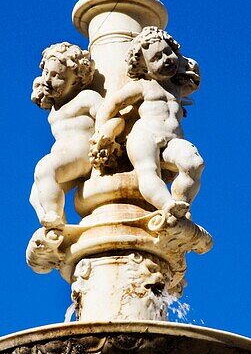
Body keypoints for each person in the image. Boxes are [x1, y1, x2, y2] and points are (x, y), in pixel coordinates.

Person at [89, 28, 203, 220]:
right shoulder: (143, 85)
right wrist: (101, 131)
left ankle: (180, 207)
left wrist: (186, 63)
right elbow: (113, 104)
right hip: (145, 135)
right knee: (148, 172)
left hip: (172, 138)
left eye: (168, 52)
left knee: (194, 163)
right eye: (156, 58)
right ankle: (166, 204)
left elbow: (194, 80)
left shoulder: (176, 87)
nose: (165, 59)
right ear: (144, 67)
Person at [30, 43, 102, 229]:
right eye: (46, 73)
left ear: (76, 81)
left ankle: (53, 214)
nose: (48, 80)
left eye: (58, 77)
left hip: (82, 154)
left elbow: (107, 115)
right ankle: (57, 226)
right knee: (35, 194)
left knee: (45, 169)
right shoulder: (55, 107)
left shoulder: (86, 97)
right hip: (64, 157)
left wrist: (104, 137)